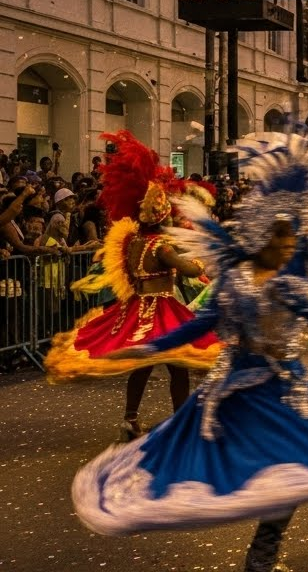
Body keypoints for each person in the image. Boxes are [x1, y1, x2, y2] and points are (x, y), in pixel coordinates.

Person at [74, 137, 308, 572]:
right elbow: (199, 324)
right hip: (237, 395)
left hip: (282, 393)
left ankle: (262, 555)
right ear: (263, 236)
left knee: (288, 472)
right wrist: (147, 347)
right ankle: (261, 554)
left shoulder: (289, 286)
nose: (292, 244)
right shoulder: (236, 282)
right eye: (284, 235)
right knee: (246, 469)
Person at [45, 132, 220, 439]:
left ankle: (130, 418)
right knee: (178, 367)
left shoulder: (133, 242)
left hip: (136, 309)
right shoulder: (162, 246)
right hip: (163, 311)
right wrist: (202, 260)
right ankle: (180, 422)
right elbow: (190, 271)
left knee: (144, 366)